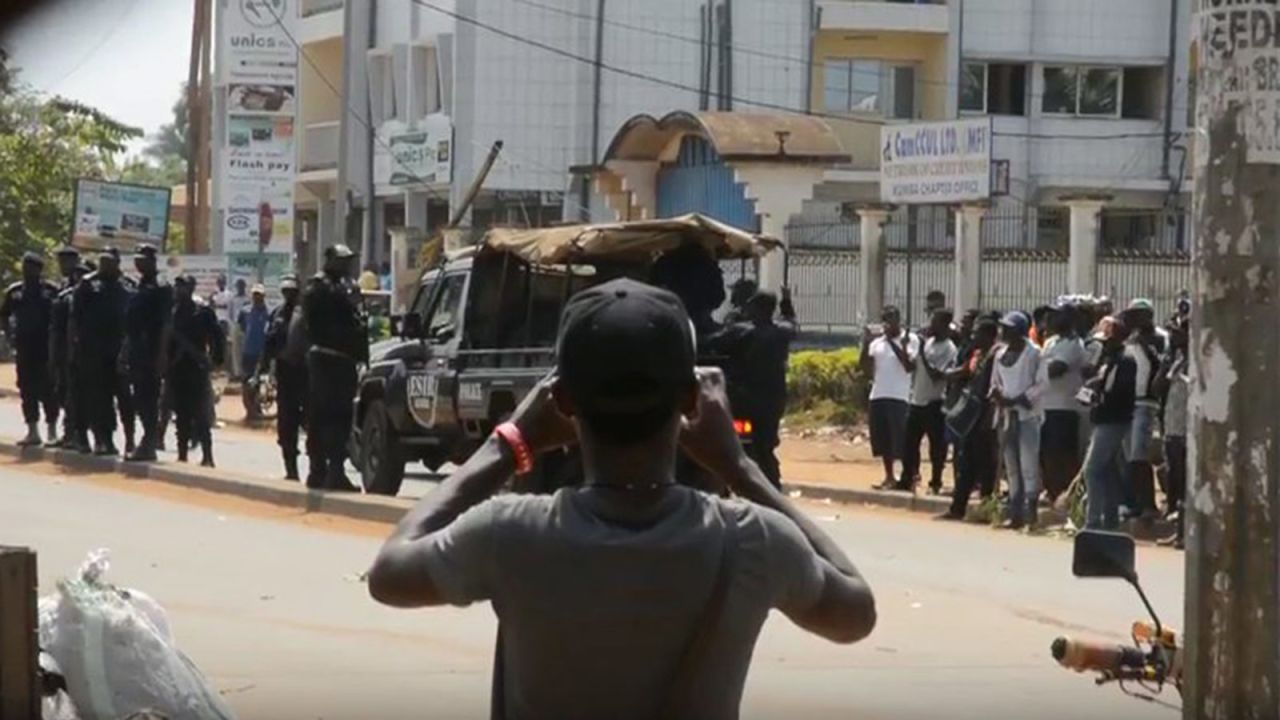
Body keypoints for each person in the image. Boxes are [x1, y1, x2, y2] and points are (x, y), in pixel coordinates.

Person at [367, 279, 876, 719]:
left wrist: (508, 444)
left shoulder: (511, 534)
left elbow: (389, 574)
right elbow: (855, 611)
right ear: (692, 400)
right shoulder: (753, 542)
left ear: (561, 401)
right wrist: (738, 467)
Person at [709, 288, 797, 488]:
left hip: (744, 400)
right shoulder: (782, 332)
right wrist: (786, 302)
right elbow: (791, 321)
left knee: (737, 441)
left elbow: (713, 343)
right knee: (766, 443)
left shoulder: (741, 331)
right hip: (774, 401)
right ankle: (771, 483)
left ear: (756, 307)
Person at [303, 244, 367, 491]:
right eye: (342, 261)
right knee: (331, 417)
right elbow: (323, 316)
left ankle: (326, 472)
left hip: (342, 360)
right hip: (328, 360)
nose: (347, 266)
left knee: (334, 418)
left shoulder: (342, 286)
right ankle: (327, 472)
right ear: (330, 260)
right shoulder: (320, 287)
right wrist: (346, 298)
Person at [940, 316, 1000, 520]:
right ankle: (958, 508)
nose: (974, 336)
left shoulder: (995, 355)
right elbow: (966, 372)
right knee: (965, 463)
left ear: (990, 335)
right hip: (971, 417)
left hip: (985, 417)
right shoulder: (977, 354)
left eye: (978, 333)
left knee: (986, 466)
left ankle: (986, 509)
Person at [991, 311, 1047, 530]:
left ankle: (1030, 511)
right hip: (1006, 414)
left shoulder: (1034, 353)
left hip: (1027, 414)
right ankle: (1015, 512)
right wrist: (997, 395)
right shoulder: (1000, 354)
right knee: (1011, 464)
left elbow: (1043, 383)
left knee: (1028, 463)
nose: (1003, 332)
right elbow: (995, 381)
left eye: (1008, 328)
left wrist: (1022, 398)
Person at [74, 250, 133, 456]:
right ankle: (103, 439)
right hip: (94, 349)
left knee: (125, 397)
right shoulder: (88, 283)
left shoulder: (128, 284)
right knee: (99, 397)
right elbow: (77, 318)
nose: (104, 265)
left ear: (117, 263)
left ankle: (130, 440)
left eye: (109, 262)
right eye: (102, 261)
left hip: (121, 349)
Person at [1081, 319, 1137, 530]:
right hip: (1102, 418)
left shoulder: (1126, 360)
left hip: (1113, 420)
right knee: (1107, 471)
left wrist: (1100, 390)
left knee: (1092, 469)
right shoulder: (1108, 358)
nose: (1104, 345)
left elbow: (1120, 393)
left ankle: (1093, 521)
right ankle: (1110, 521)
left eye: (1108, 341)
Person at [0, 252, 59, 446]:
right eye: (25, 266)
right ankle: (32, 430)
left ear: (38, 269)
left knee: (48, 389)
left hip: (46, 347)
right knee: (27, 388)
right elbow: (4, 315)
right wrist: (9, 336)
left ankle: (52, 429)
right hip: (24, 348)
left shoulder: (50, 291)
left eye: (31, 266)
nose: (26, 270)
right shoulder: (15, 291)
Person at [122, 244, 173, 462]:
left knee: (148, 397)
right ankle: (147, 439)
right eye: (137, 259)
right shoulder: (139, 285)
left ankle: (150, 442)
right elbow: (130, 323)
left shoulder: (161, 286)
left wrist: (162, 354)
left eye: (143, 259)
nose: (138, 262)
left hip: (151, 349)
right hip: (136, 347)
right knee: (139, 397)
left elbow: (166, 324)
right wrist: (124, 351)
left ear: (153, 261)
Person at [860, 306, 919, 491]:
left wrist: (896, 343)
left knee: (901, 439)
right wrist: (866, 343)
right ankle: (889, 476)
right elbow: (866, 369)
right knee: (883, 439)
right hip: (878, 394)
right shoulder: (877, 343)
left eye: (891, 319)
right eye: (885, 319)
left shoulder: (910, 340)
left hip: (899, 396)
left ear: (898, 320)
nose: (887, 323)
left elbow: (909, 366)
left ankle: (910, 475)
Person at [169, 274, 225, 467]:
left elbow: (217, 337)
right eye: (177, 287)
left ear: (191, 289)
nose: (179, 291)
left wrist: (216, 360)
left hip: (197, 368)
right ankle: (182, 454)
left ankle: (207, 456)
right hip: (176, 369)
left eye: (183, 287)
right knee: (181, 414)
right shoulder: (172, 312)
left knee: (201, 415)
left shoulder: (202, 312)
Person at [903, 308, 957, 495]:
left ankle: (936, 481)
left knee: (936, 447)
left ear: (943, 324)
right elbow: (911, 367)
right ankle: (910, 477)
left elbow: (937, 375)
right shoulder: (927, 343)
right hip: (917, 400)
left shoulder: (948, 348)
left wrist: (923, 353)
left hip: (934, 403)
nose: (930, 325)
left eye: (934, 321)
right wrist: (905, 348)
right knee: (909, 444)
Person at [1039, 305, 1088, 502]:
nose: (1051, 319)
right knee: (1045, 452)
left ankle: (1067, 494)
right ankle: (1052, 492)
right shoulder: (1050, 342)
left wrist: (1036, 369)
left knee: (1063, 454)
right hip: (1045, 405)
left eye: (1057, 316)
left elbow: (1056, 369)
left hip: (1064, 406)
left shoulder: (1074, 344)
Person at [1122, 298, 1164, 521]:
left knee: (1140, 455)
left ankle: (1149, 504)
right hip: (1129, 402)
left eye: (1137, 314)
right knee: (1130, 456)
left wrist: (1144, 345)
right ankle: (1136, 503)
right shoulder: (1131, 339)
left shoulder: (1159, 338)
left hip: (1146, 402)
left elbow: (1160, 366)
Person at [263, 275, 307, 480]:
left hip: (305, 376)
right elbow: (268, 345)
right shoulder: (276, 314)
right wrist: (261, 373)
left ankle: (318, 469)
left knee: (311, 423)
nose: (289, 295)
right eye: (286, 291)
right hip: (285, 375)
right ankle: (291, 469)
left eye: (293, 292)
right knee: (286, 426)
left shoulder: (306, 314)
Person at [1156, 315, 1189, 548]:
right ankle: (1179, 531)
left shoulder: (1201, 359)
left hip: (1190, 432)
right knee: (1175, 481)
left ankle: (1187, 532)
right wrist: (1167, 361)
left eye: (1180, 332)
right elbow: (1157, 386)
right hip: (1172, 428)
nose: (1174, 336)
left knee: (1189, 482)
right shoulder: (1176, 359)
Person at [49, 247, 83, 448]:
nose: (63, 266)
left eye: (66, 262)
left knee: (75, 393)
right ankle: (68, 432)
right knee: (62, 391)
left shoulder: (85, 286)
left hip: (78, 349)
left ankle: (76, 433)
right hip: (61, 347)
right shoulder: (62, 288)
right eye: (60, 262)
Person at [237, 284, 271, 419]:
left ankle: (257, 408)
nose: (257, 298)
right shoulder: (245, 311)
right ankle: (249, 411)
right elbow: (242, 328)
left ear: (263, 296)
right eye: (255, 295)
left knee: (259, 382)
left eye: (259, 295)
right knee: (246, 381)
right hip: (248, 352)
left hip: (262, 352)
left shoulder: (268, 313)